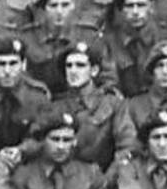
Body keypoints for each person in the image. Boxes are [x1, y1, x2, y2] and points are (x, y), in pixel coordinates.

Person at [57, 40, 136, 170]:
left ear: (94, 71)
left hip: (103, 178)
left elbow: (127, 143)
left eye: (80, 65)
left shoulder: (112, 104)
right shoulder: (56, 106)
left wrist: (110, 178)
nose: (73, 71)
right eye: (69, 66)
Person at [20, 0, 102, 95]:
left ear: (73, 6)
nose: (59, 11)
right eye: (53, 6)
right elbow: (21, 75)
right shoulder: (27, 37)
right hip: (41, 99)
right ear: (43, 9)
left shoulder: (89, 35)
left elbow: (106, 74)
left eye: (65, 5)